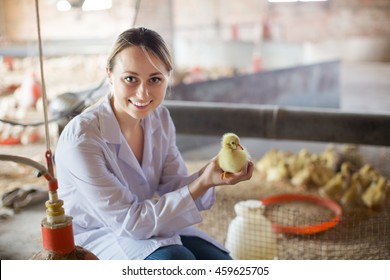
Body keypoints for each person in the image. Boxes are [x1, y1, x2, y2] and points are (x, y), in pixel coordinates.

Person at [55, 27, 254, 260]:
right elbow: (130, 221)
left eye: (155, 79)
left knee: (221, 262)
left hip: (145, 224)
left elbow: (173, 186)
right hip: (98, 236)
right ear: (109, 75)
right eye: (130, 78)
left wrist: (211, 174)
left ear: (167, 79)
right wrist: (201, 183)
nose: (143, 93)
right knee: (176, 262)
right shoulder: (82, 139)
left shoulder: (159, 119)